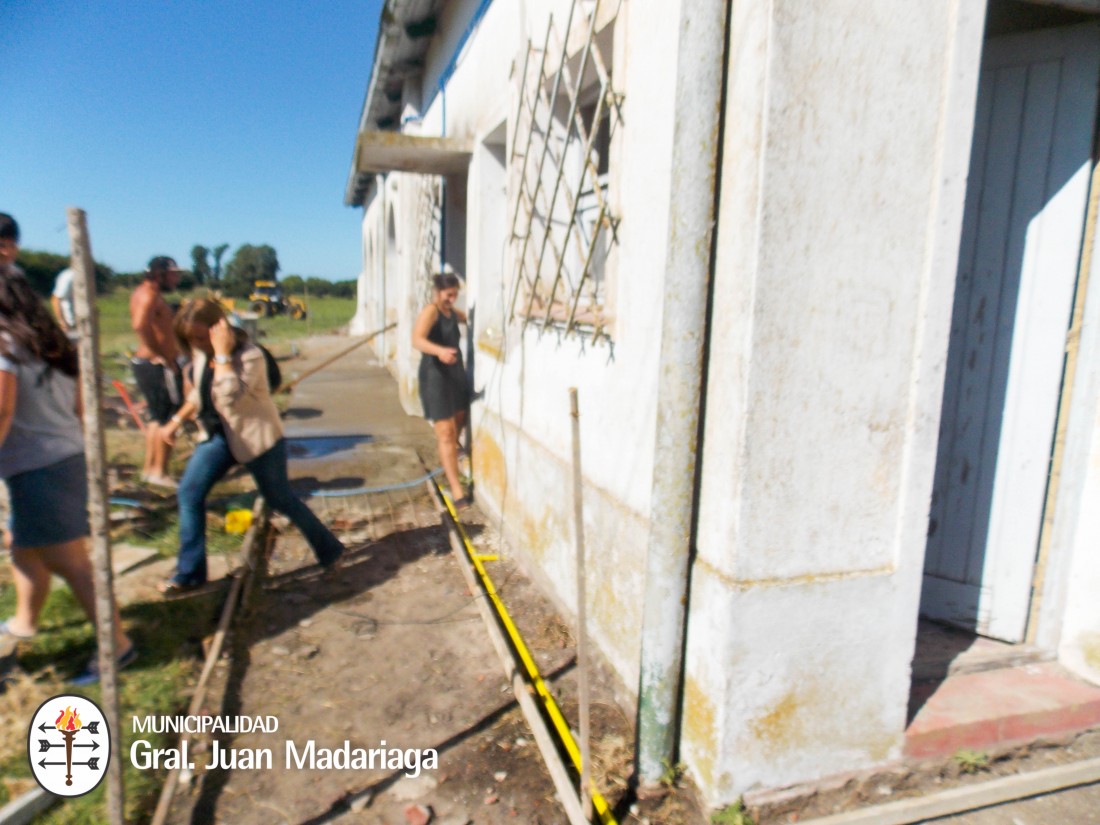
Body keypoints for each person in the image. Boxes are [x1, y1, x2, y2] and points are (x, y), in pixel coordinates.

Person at [0, 230, 134, 684]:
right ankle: (24, 621)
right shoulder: (51, 341)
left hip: (37, 465)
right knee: (26, 552)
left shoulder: (3, 346)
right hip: (64, 454)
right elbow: (80, 409)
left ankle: (116, 645)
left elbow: (1, 411)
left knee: (70, 563)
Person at [158, 298, 345, 594]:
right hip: (218, 437)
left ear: (218, 327)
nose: (196, 343)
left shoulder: (250, 356)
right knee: (189, 494)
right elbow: (199, 393)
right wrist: (176, 420)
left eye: (200, 336)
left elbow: (229, 395)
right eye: (190, 339)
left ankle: (330, 550)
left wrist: (221, 356)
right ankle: (189, 573)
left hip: (257, 439)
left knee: (281, 500)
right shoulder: (200, 353)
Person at [412, 271, 471, 507]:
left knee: (460, 419)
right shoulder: (431, 311)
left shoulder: (451, 312)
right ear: (437, 293)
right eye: (448, 295)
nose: (451, 299)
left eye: (455, 295)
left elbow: (465, 316)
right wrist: (439, 351)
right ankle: (456, 489)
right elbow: (416, 339)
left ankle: (448, 460)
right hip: (434, 376)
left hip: (455, 374)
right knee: (446, 431)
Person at [129, 255, 184, 488]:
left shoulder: (148, 293)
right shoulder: (149, 295)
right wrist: (158, 353)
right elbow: (140, 325)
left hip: (150, 364)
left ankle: (151, 470)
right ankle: (160, 472)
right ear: (159, 274)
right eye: (173, 273)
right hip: (154, 365)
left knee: (157, 418)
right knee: (167, 418)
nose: (176, 278)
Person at [51, 266, 77, 337]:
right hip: (70, 324)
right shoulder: (69, 276)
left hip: (83, 324)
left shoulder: (86, 276)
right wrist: (62, 322)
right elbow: (56, 299)